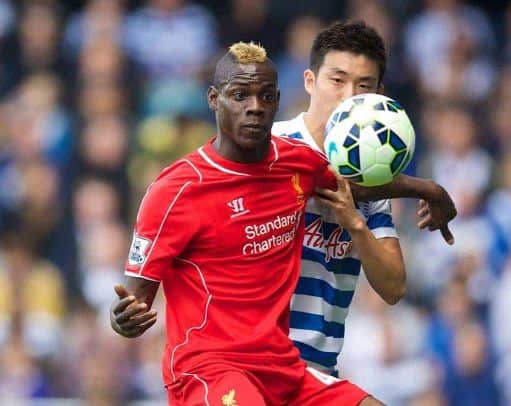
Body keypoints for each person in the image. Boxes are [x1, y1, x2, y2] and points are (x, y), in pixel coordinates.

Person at [110, 41, 387, 405]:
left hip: (282, 369)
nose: (254, 108)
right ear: (214, 98)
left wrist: (429, 191)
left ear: (276, 100)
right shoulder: (176, 191)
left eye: (265, 96)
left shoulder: (297, 163)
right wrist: (123, 320)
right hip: (209, 370)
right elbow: (133, 300)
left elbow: (354, 183)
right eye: (240, 95)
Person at [271, 20, 456, 375]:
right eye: (337, 81)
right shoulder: (275, 146)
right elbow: (323, 174)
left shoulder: (375, 172)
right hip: (267, 360)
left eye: (363, 86)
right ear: (310, 81)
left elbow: (393, 287)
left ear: (378, 97)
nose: (348, 97)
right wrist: (426, 188)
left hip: (322, 368)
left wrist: (355, 225)